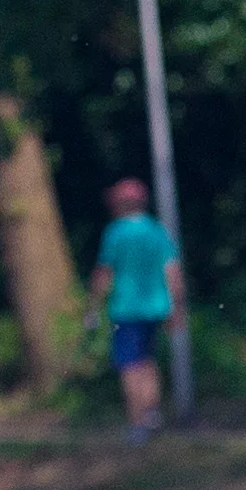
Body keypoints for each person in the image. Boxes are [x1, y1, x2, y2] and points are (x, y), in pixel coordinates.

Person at [89, 177, 185, 443]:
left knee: (130, 366)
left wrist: (93, 307)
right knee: (148, 361)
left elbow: (104, 273)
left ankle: (137, 423)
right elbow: (173, 271)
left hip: (126, 310)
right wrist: (177, 306)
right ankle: (152, 411)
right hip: (156, 308)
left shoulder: (116, 233)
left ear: (121, 204)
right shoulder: (156, 231)